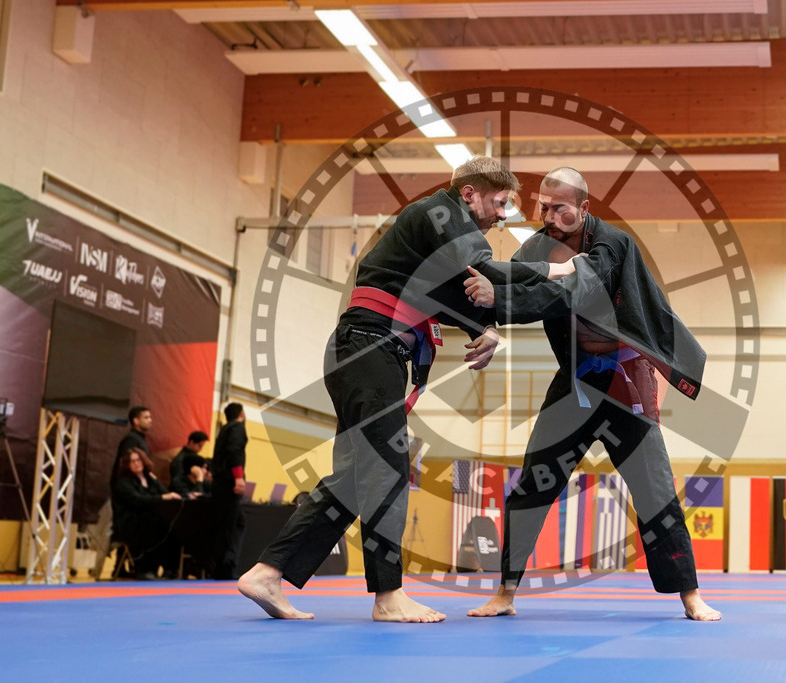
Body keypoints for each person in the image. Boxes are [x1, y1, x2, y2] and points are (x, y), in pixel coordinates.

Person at [237, 157, 576, 623]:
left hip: (366, 352)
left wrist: (488, 327)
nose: (503, 215)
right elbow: (483, 277)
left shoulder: (436, 240)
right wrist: (559, 272)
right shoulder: (435, 214)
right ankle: (388, 595)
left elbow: (457, 292)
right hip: (369, 349)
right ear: (469, 194)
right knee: (386, 468)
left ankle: (269, 572)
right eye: (499, 203)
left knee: (356, 477)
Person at [463, 167, 719, 621]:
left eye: (560, 208)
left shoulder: (613, 245)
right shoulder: (538, 247)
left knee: (655, 487)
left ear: (583, 208)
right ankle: (505, 592)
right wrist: (486, 315)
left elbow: (574, 289)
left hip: (625, 376)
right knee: (533, 482)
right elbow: (513, 282)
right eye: (543, 206)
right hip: (577, 380)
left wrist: (501, 301)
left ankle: (690, 594)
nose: (549, 215)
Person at [111, 447, 182, 580]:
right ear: (127, 465)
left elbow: (165, 493)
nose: (136, 463)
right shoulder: (124, 483)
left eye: (138, 460)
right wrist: (162, 498)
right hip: (130, 522)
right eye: (132, 461)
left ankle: (170, 568)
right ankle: (144, 569)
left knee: (171, 524)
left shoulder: (150, 479)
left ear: (143, 461)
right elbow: (139, 501)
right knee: (152, 525)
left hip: (150, 518)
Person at [211, 403, 248, 580]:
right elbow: (235, 451)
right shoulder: (238, 428)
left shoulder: (224, 430)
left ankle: (222, 565)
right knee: (231, 525)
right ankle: (226, 567)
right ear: (241, 414)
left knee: (233, 523)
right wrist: (238, 477)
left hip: (220, 482)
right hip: (229, 481)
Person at [111, 406, 152, 490]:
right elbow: (126, 465)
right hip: (129, 488)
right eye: (146, 418)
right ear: (136, 421)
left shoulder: (139, 438)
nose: (150, 420)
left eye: (150, 417)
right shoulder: (131, 439)